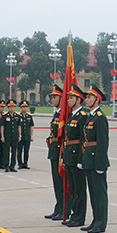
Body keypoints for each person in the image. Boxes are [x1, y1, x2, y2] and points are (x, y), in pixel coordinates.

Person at [81, 86, 110, 233]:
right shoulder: (91, 116)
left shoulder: (100, 118)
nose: (86, 99)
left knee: (99, 193)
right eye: (86, 97)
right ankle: (95, 220)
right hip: (89, 159)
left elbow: (103, 143)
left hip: (96, 161)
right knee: (92, 192)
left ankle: (101, 222)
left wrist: (100, 163)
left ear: (97, 100)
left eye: (89, 97)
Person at [61, 85, 88, 227]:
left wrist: (80, 159)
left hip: (76, 155)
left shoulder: (83, 116)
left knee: (79, 188)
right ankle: (74, 214)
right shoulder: (72, 116)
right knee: (72, 187)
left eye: (71, 97)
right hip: (69, 155)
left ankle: (79, 217)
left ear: (78, 100)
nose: (68, 100)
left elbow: (83, 139)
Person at [44, 87, 67, 220]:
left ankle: (64, 209)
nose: (52, 100)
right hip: (54, 150)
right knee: (56, 183)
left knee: (61, 182)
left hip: (60, 151)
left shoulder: (63, 114)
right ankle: (58, 208)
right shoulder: (57, 114)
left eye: (55, 97)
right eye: (51, 97)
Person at [17, 101, 33, 169]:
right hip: (20, 136)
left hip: (27, 136)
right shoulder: (18, 116)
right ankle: (20, 163)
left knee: (26, 151)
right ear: (21, 108)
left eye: (26, 107)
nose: (25, 108)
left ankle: (25, 163)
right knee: (19, 150)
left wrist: (31, 136)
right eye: (23, 107)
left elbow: (31, 127)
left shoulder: (29, 116)